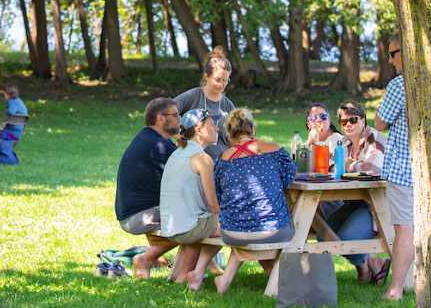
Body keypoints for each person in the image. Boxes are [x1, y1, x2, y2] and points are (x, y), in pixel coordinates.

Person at [212, 109, 296, 295]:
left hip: (232, 233)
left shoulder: (222, 160)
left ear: (228, 135)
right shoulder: (274, 150)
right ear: (253, 129)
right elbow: (290, 177)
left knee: (244, 222)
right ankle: (274, 288)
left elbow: (220, 195)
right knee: (299, 225)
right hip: (273, 232)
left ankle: (224, 281)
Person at [323, 101, 390, 284]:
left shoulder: (374, 139)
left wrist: (347, 165)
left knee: (346, 239)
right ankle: (370, 263)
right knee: (324, 233)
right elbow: (329, 166)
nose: (348, 125)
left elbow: (372, 168)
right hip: (353, 202)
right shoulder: (343, 143)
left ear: (363, 120)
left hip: (376, 206)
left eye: (353, 120)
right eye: (343, 122)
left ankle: (367, 266)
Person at [114, 97, 181, 279]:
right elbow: (189, 179)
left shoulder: (146, 137)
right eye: (175, 115)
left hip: (128, 213)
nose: (179, 119)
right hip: (138, 217)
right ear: (160, 118)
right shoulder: (160, 146)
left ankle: (157, 257)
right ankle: (146, 258)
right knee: (198, 223)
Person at [159, 108, 221, 291]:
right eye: (212, 124)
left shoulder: (176, 153)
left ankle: (179, 277)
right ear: (199, 128)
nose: (217, 128)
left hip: (171, 226)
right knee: (232, 226)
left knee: (205, 226)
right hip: (187, 227)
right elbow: (212, 204)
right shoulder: (202, 158)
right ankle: (199, 272)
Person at [375, 36, 413, 300]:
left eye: (393, 53)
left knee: (404, 229)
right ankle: (413, 283)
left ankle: (396, 289)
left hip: (402, 168)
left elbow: (379, 122)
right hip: (423, 170)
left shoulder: (400, 85)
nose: (390, 60)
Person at [174, 47, 236, 160]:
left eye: (225, 80)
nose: (221, 84)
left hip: (220, 165)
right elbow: (168, 112)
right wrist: (180, 138)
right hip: (193, 163)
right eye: (218, 79)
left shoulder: (228, 105)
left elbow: (237, 137)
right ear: (207, 76)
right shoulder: (193, 96)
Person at [304, 102, 344, 171]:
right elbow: (301, 169)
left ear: (329, 120)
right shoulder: (306, 145)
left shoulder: (339, 140)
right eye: (314, 118)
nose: (319, 120)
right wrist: (310, 143)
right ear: (308, 124)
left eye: (323, 116)